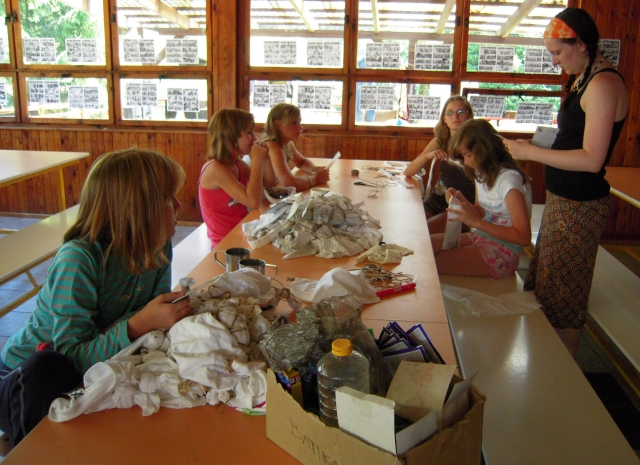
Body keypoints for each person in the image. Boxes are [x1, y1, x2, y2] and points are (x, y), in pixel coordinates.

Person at [0, 148, 194, 447]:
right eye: (169, 198)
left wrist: (151, 322)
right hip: (23, 378)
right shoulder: (78, 260)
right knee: (47, 368)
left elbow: (151, 323)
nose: (179, 205)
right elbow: (70, 359)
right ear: (138, 210)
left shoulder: (158, 247)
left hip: (94, 367)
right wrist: (136, 325)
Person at [503, 8, 629, 358]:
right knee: (548, 287)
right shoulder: (584, 77)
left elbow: (591, 159)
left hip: (580, 206)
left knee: (564, 297)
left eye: (558, 52)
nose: (555, 61)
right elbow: (574, 138)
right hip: (564, 201)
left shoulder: (603, 84)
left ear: (582, 44)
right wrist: (539, 145)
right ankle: (547, 363)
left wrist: (530, 152)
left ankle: (563, 373)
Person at [431, 119, 532, 280]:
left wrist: (476, 223)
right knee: (425, 246)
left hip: (504, 252)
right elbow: (480, 213)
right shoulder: (481, 173)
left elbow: (523, 237)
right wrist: (461, 200)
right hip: (482, 236)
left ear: (484, 151)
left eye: (468, 155)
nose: (466, 162)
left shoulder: (509, 182)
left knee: (428, 262)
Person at [199, 108, 277, 248]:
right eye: (249, 133)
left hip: (241, 233)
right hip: (225, 244)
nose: (254, 138)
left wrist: (265, 158)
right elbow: (253, 201)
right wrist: (257, 161)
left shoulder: (236, 163)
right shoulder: (216, 169)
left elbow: (269, 184)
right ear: (231, 137)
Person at [404, 96, 475, 233]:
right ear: (444, 118)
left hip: (460, 208)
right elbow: (408, 172)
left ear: (469, 116)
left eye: (460, 112)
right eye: (450, 113)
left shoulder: (477, 144)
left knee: (422, 232)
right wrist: (428, 156)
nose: (455, 116)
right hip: (435, 201)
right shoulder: (440, 141)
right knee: (408, 226)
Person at [261, 103, 329, 191]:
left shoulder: (287, 143)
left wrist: (314, 169)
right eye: (294, 123)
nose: (300, 127)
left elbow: (302, 162)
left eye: (299, 122)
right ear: (277, 125)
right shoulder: (272, 147)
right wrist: (317, 178)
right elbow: (290, 184)